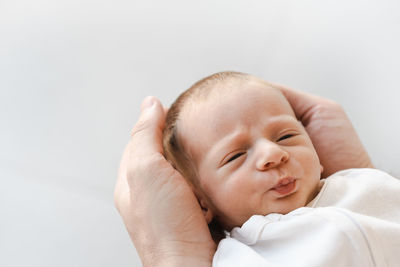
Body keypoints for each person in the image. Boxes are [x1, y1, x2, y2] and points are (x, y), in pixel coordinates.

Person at [114, 72, 374, 266]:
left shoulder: (365, 184)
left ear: (318, 157)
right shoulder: (240, 257)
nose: (273, 154)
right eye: (236, 156)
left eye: (286, 137)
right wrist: (178, 252)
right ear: (202, 203)